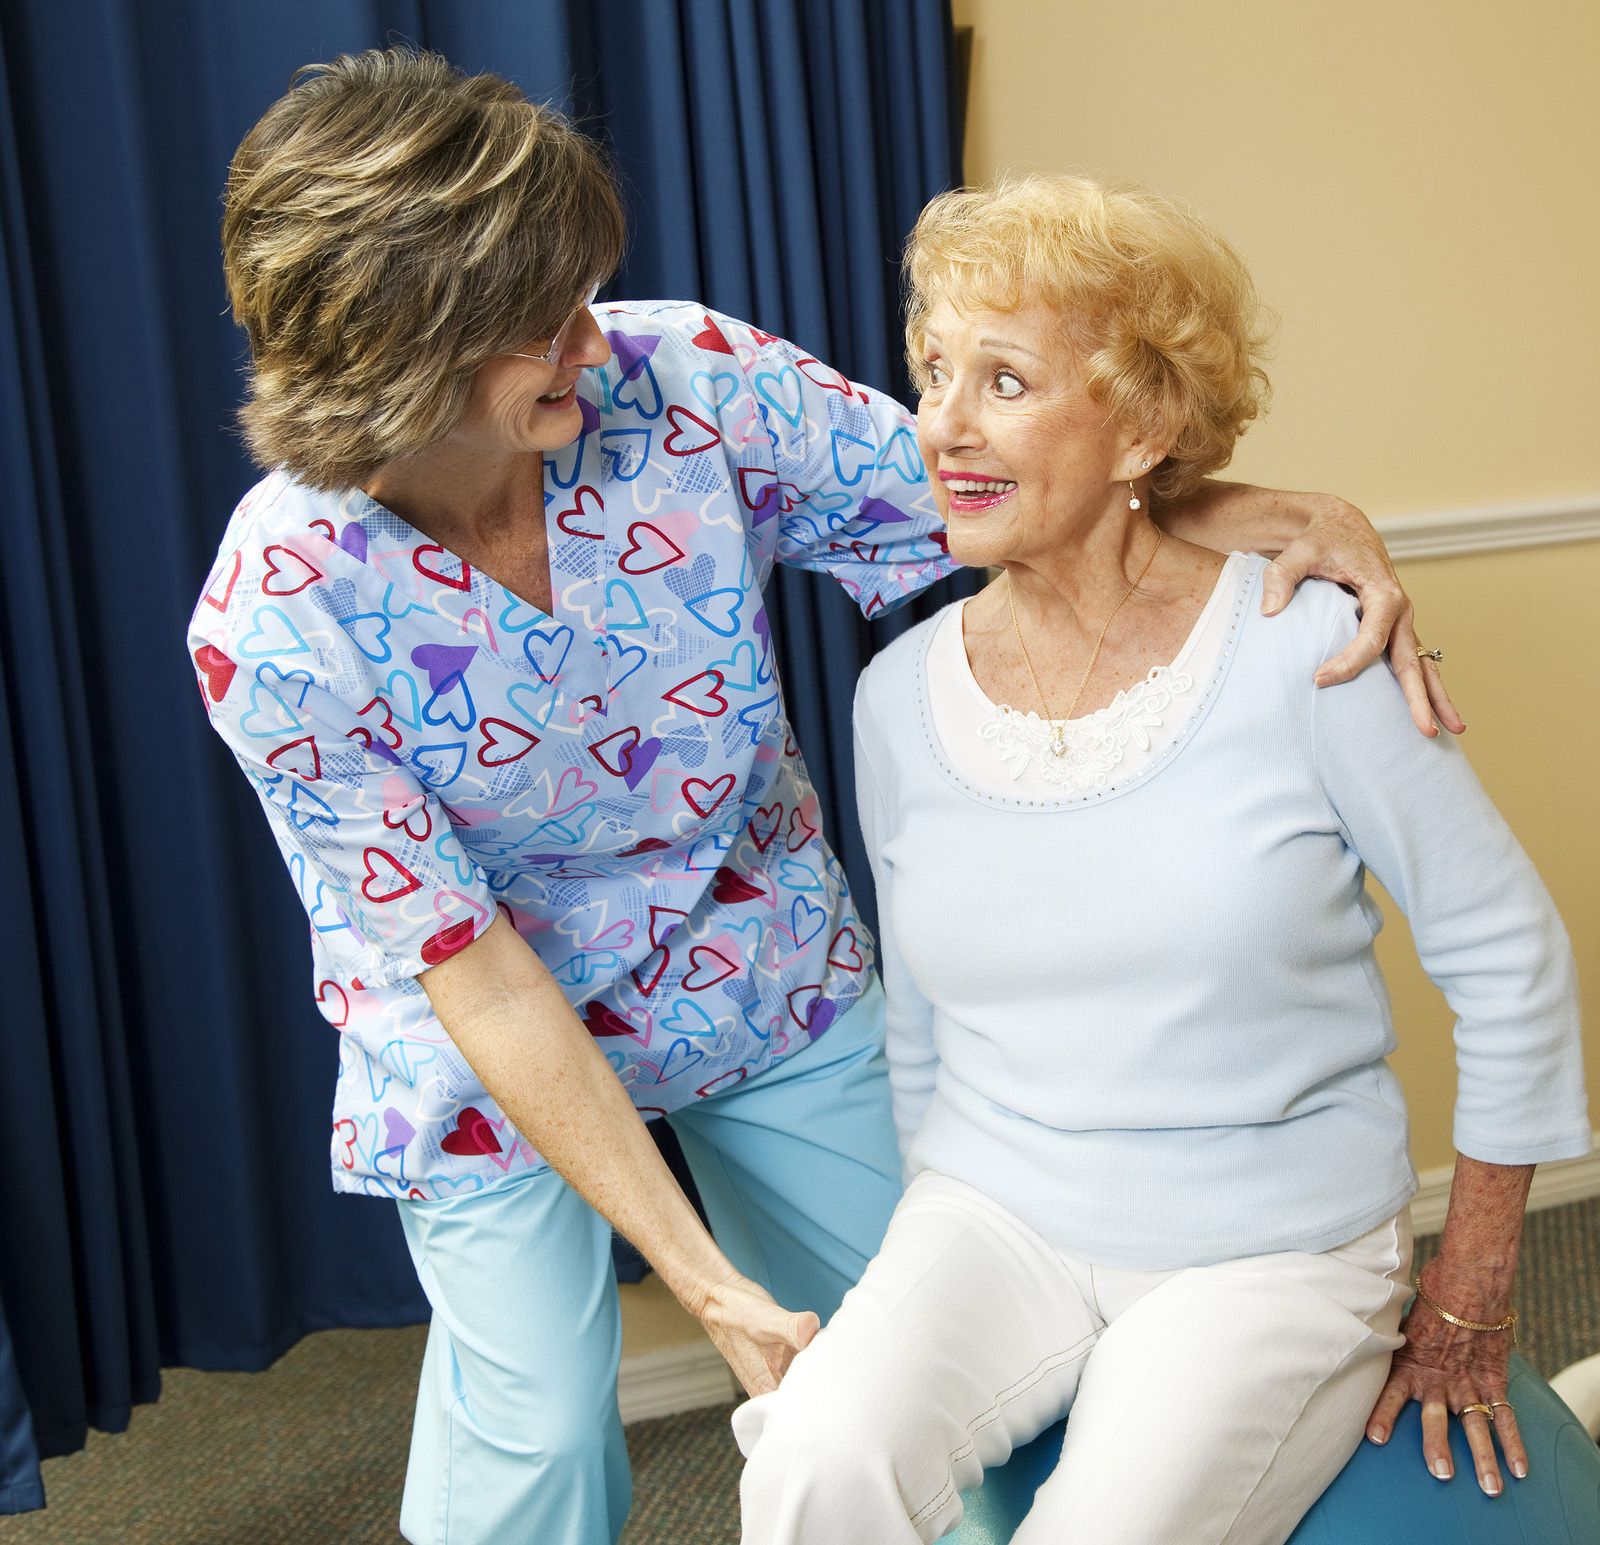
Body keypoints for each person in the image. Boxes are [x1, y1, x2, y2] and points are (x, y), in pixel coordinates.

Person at [191, 51, 1457, 1545]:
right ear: (404, 352)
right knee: (530, 1428)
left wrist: (1276, 512)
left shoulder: (685, 382)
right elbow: (473, 966)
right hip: (488, 1022)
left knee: (954, 1357)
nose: (592, 342)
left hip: (751, 950)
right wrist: (703, 1278)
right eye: (543, 322)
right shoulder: (277, 614)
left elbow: (976, 494)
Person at [734, 174, 1589, 1545]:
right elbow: (923, 1020)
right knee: (812, 1462)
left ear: (1140, 428)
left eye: (1001, 379)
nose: (942, 420)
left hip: (1267, 1250)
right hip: (994, 1210)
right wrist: (928, 1249)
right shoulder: (897, 692)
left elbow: (1510, 956)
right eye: (933, 370)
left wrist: (1475, 1289)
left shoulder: (1308, 648)